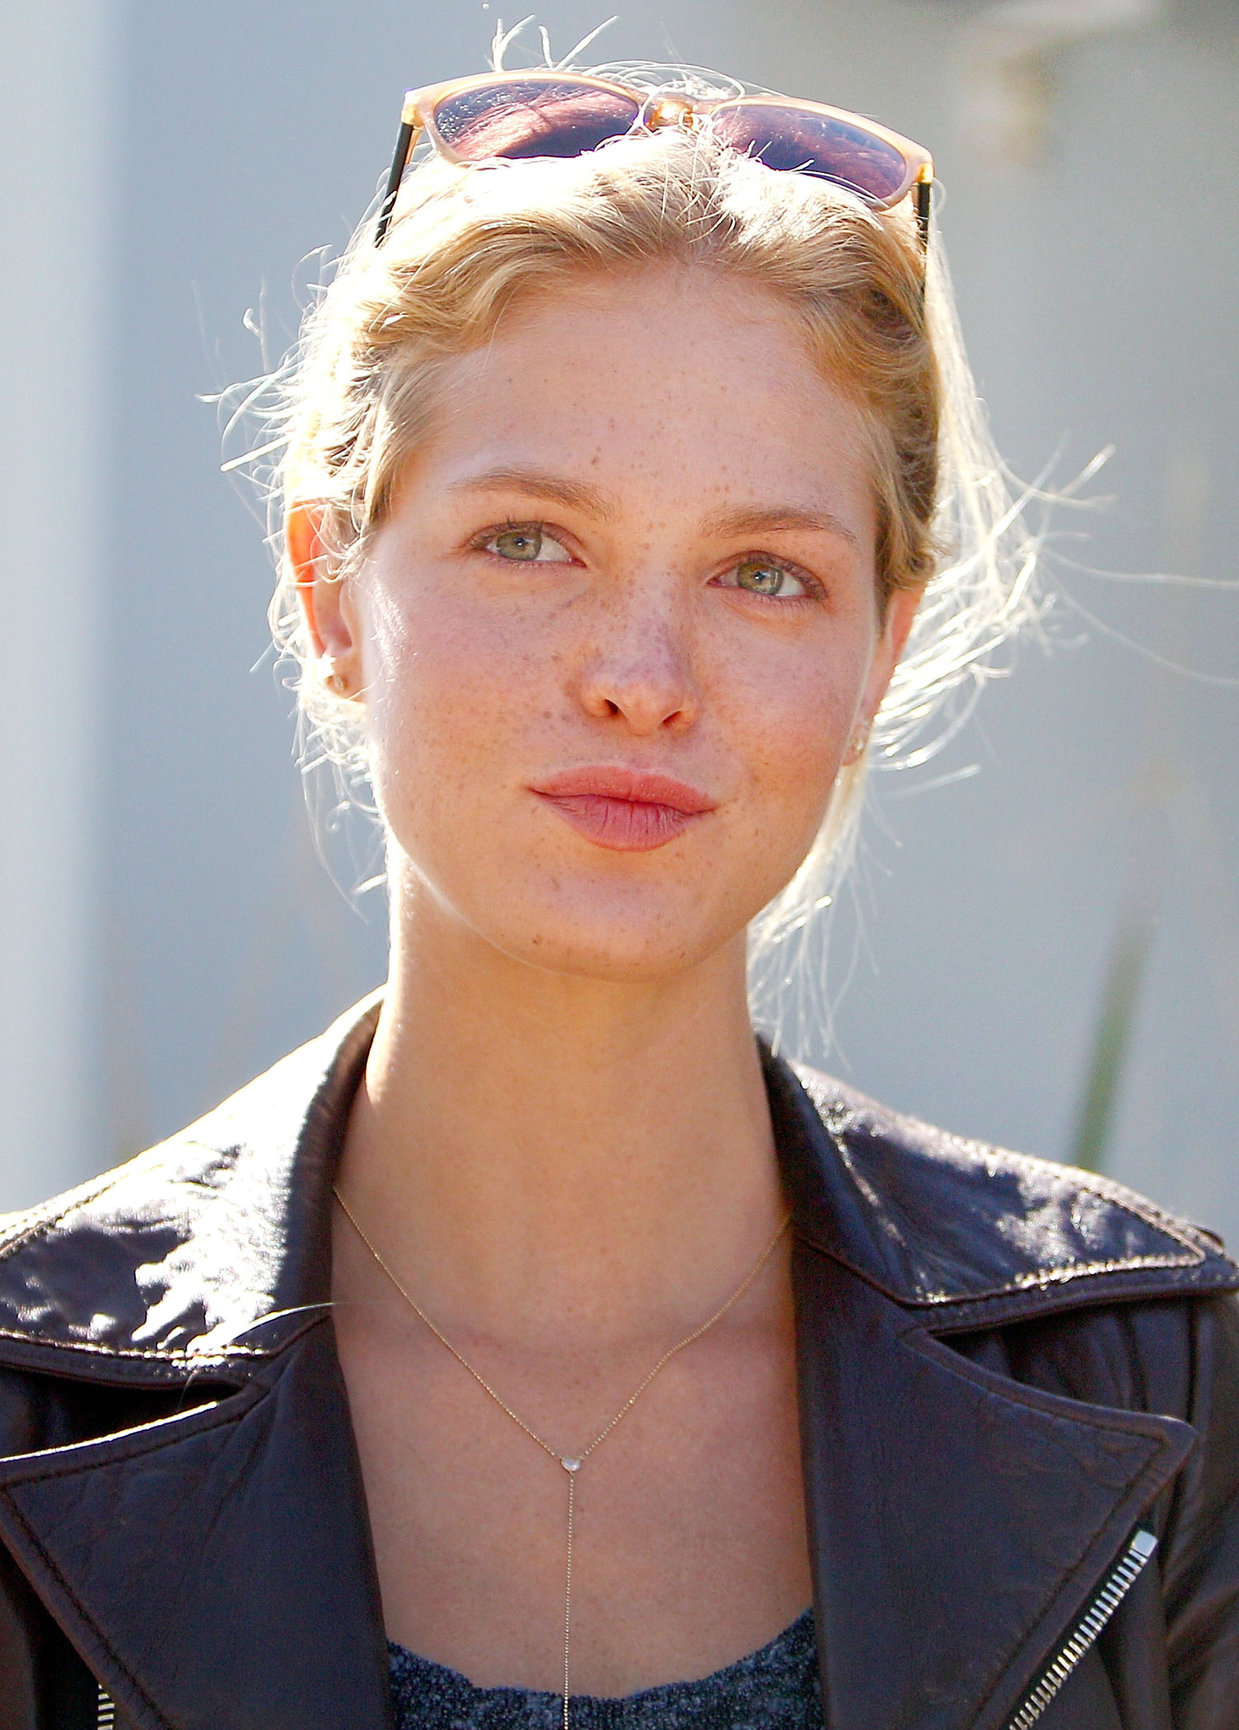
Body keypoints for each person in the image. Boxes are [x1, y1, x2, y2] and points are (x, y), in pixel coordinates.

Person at [0, 57, 1236, 1730]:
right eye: (531, 540)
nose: (644, 678)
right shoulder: (29, 1403)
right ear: (332, 588)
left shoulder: (1166, 1389)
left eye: (763, 573)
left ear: (879, 654)